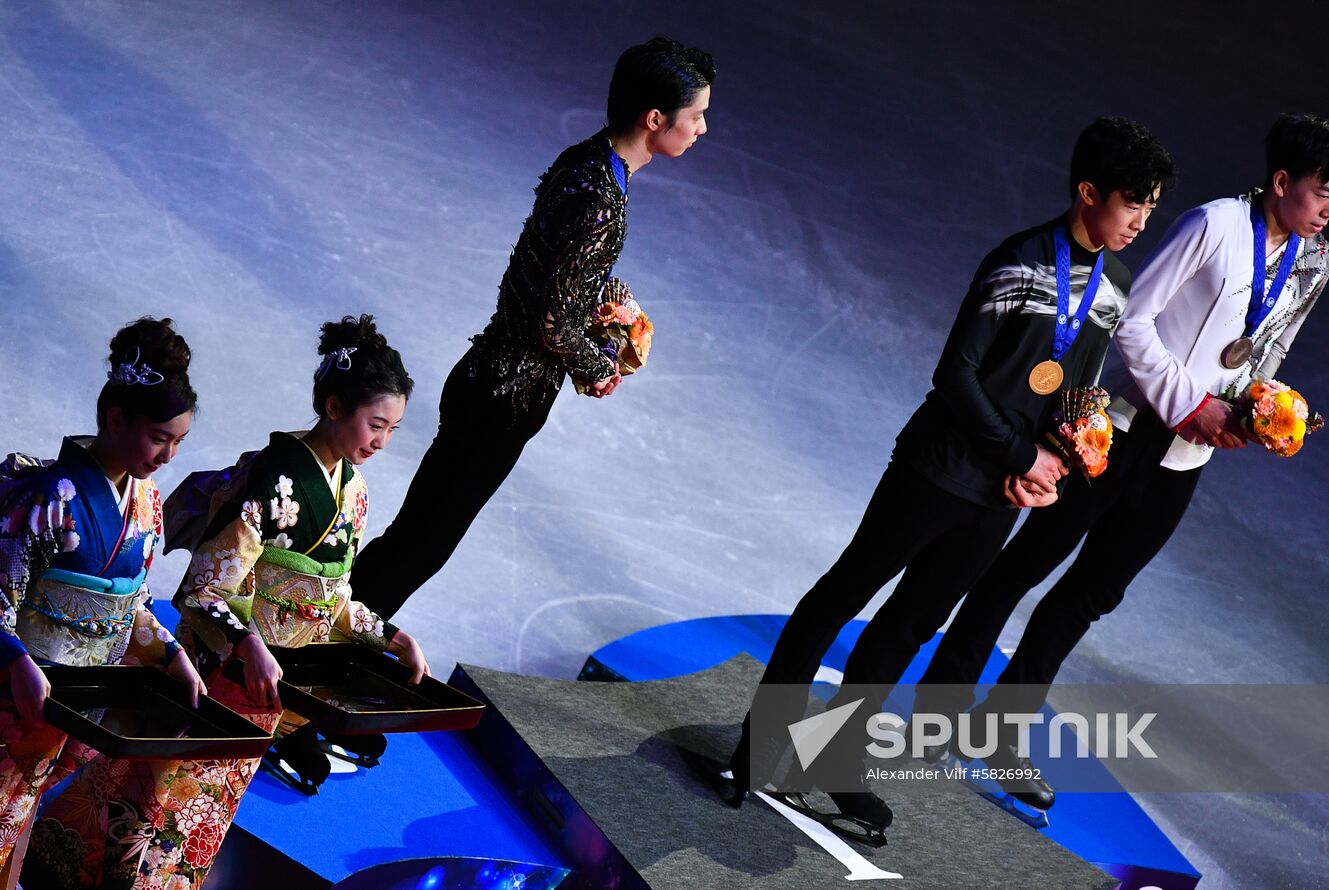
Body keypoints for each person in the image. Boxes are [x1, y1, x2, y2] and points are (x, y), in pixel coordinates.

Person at [726, 118, 1176, 840]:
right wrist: (1018, 455)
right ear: (1088, 192)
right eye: (1133, 204)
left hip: (999, 498)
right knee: (842, 596)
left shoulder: (1115, 285)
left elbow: (1080, 393)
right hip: (936, 472)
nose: (1141, 222)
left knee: (911, 625)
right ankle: (754, 750)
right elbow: (955, 375)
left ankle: (836, 762)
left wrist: (1056, 463)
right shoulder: (1017, 264)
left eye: (1151, 208)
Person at [915, 113, 1329, 813]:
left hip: (1185, 456)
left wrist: (1258, 408)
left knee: (1092, 593)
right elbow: (1131, 321)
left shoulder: (1317, 261)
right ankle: (938, 713)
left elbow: (1270, 349)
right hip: (1123, 429)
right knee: (1022, 566)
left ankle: (997, 729)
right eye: (1322, 192)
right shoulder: (1212, 225)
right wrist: (1192, 401)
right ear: (1282, 182)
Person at [38, 315, 427, 888]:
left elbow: (334, 596)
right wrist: (248, 642)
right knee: (151, 798)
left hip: (277, 682)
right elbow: (204, 588)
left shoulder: (355, 492)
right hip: (221, 672)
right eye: (376, 424)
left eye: (392, 429)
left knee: (204, 813)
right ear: (335, 406)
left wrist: (388, 635)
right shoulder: (272, 478)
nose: (381, 441)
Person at [349, 36, 714, 620]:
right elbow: (552, 322)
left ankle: (320, 636)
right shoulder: (602, 200)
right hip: (505, 399)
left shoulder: (589, 160)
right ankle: (311, 646)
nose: (701, 129)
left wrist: (605, 305)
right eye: (695, 116)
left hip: (487, 376)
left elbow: (546, 273)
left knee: (417, 537)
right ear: (655, 119)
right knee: (420, 546)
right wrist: (600, 367)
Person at [1, 317, 205, 888]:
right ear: (115, 420)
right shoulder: (51, 498)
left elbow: (133, 605)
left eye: (179, 442)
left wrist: (170, 654)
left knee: (23, 817)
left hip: (82, 699)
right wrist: (15, 660)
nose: (168, 455)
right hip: (21, 692)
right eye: (160, 438)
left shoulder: (147, 505)